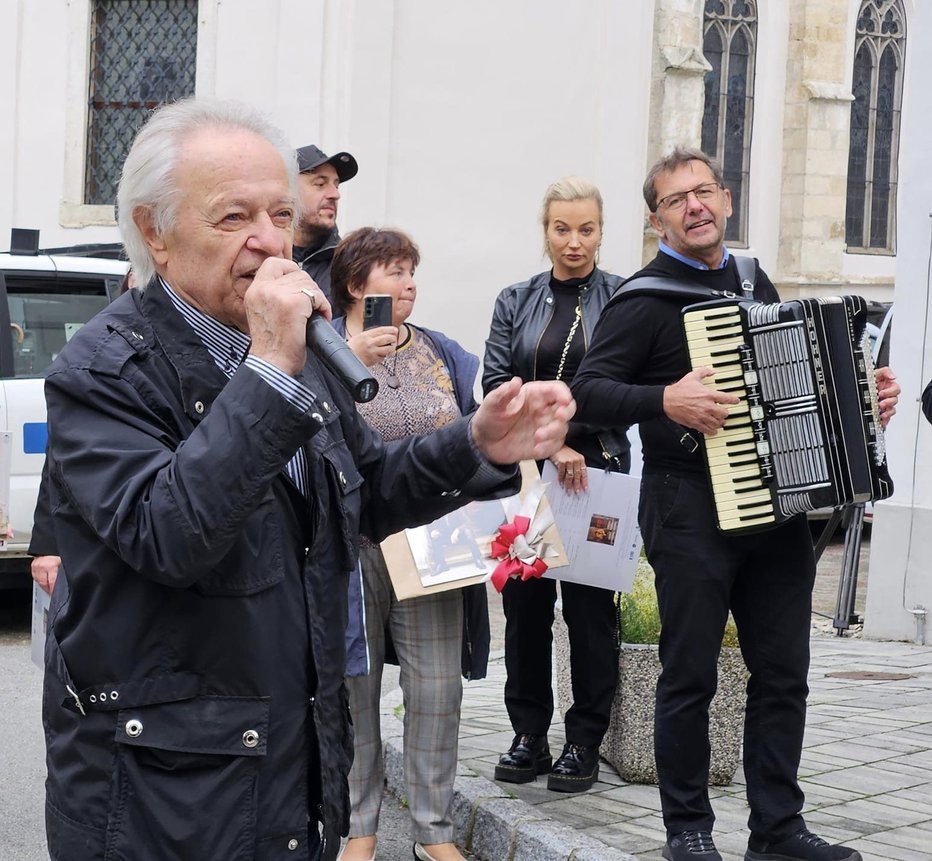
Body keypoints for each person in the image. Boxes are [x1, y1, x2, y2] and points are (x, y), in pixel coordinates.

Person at [39, 98, 575, 861]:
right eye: (233, 218)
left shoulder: (296, 356)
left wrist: (475, 445)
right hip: (162, 793)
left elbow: (367, 487)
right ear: (155, 232)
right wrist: (269, 370)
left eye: (281, 214)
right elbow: (170, 535)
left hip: (289, 762)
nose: (268, 242)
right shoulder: (102, 368)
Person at [571, 146, 900, 861]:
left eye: (704, 191)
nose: (694, 206)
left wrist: (867, 400)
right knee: (688, 673)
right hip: (687, 505)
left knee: (784, 672)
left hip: (774, 507)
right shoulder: (642, 300)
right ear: (657, 218)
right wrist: (666, 398)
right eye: (675, 199)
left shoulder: (751, 279)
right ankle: (686, 829)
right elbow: (586, 394)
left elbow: (802, 373)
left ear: (724, 198)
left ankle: (777, 829)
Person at [329, 227, 486, 861]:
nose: (408, 283)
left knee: (435, 688)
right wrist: (353, 361)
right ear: (355, 284)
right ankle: (358, 828)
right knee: (354, 688)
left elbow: (479, 415)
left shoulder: (441, 352)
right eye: (393, 271)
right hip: (351, 541)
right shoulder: (325, 350)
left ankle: (432, 831)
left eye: (411, 271)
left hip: (433, 538)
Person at [483, 176, 629, 794]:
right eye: (561, 228)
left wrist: (580, 441)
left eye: (586, 229)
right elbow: (495, 382)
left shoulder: (623, 298)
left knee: (593, 614)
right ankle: (528, 734)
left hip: (600, 473)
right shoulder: (516, 300)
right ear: (545, 232)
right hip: (529, 475)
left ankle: (584, 741)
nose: (574, 242)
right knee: (526, 609)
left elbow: (628, 386)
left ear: (601, 231)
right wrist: (553, 443)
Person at [293, 143, 358, 304]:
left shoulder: (350, 266)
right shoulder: (260, 257)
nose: (335, 194)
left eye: (336, 185)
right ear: (288, 189)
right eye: (320, 184)